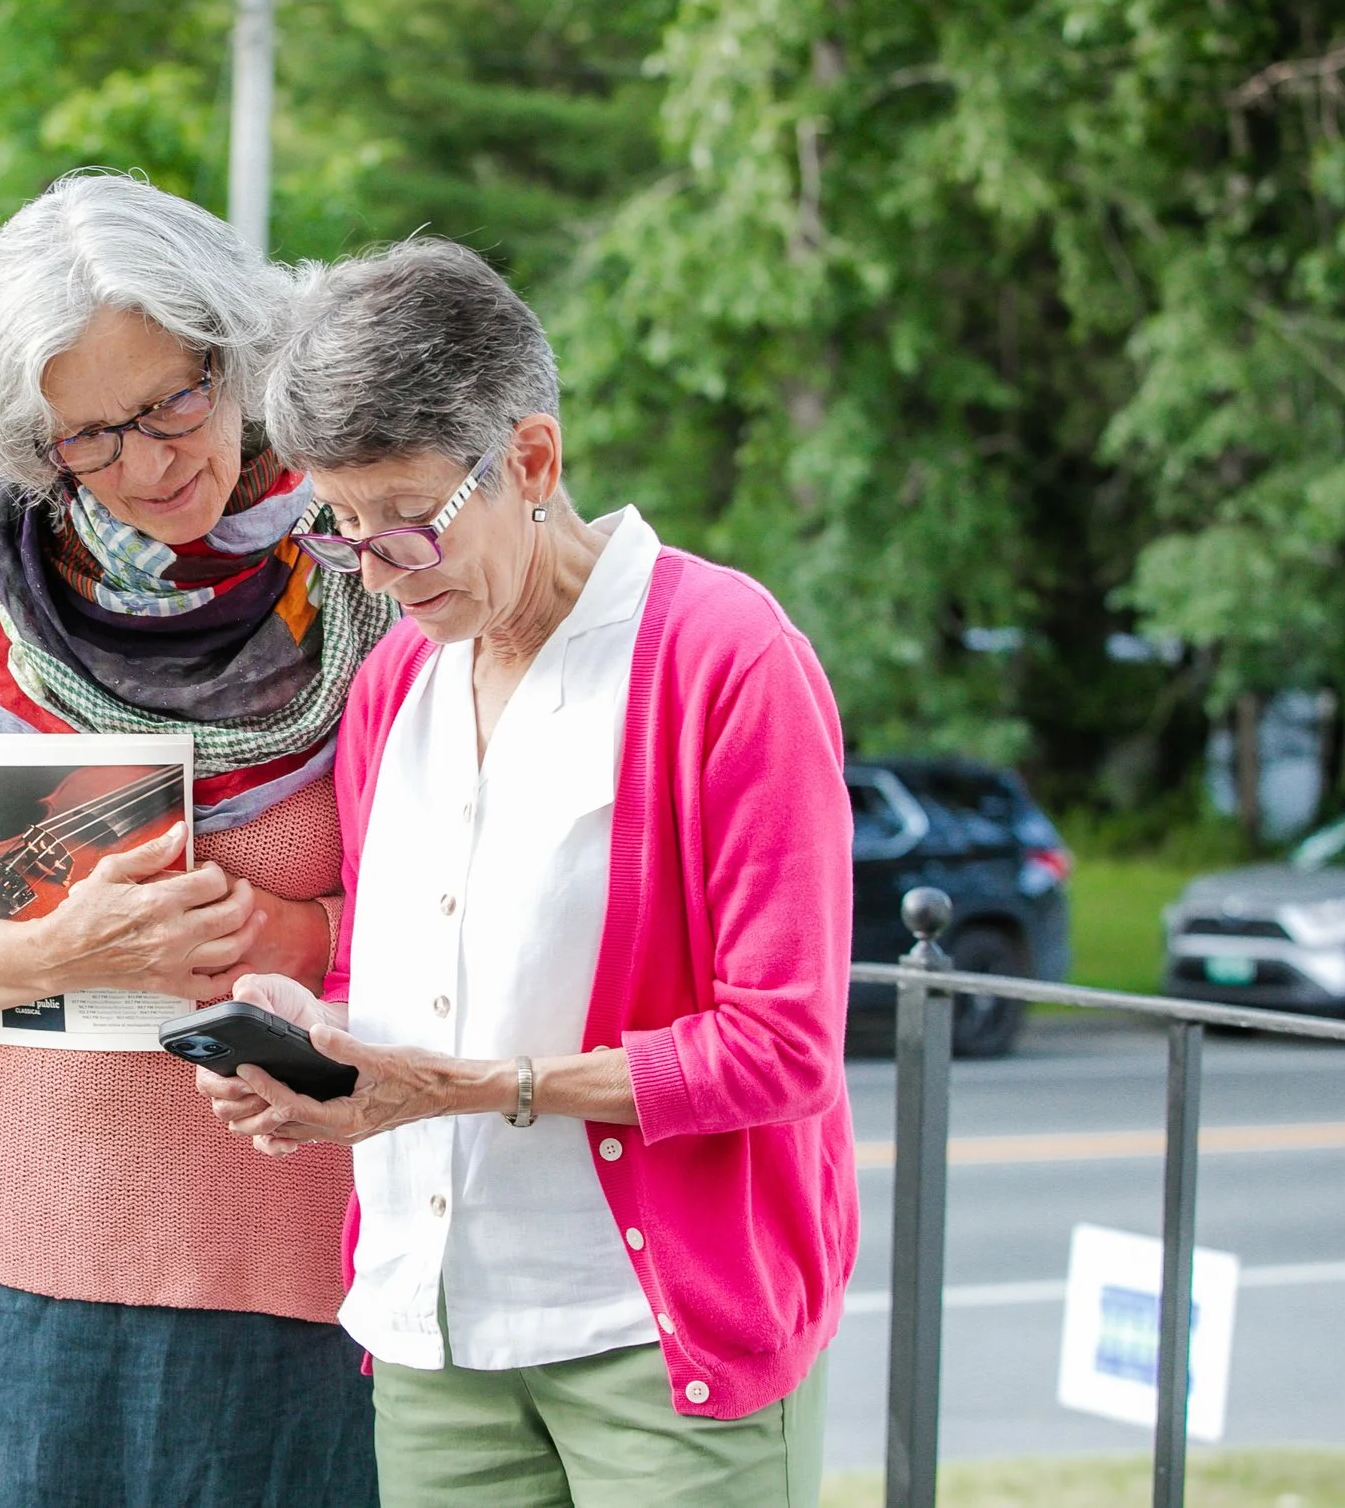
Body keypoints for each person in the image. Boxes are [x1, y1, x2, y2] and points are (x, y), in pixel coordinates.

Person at [194, 237, 856, 1508]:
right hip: (434, 1330)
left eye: (405, 520)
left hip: (654, 1340)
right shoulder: (399, 682)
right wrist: (321, 1035)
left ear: (533, 460)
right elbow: (402, 974)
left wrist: (460, 1086)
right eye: (341, 526)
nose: (376, 568)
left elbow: (782, 1046)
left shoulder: (726, 659)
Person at [0, 173, 395, 1507]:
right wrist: (50, 949)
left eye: (176, 398)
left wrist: (300, 937)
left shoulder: (372, 550)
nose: (153, 460)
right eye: (91, 436)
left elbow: (476, 914)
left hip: (286, 1267)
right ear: (33, 441)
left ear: (237, 349)